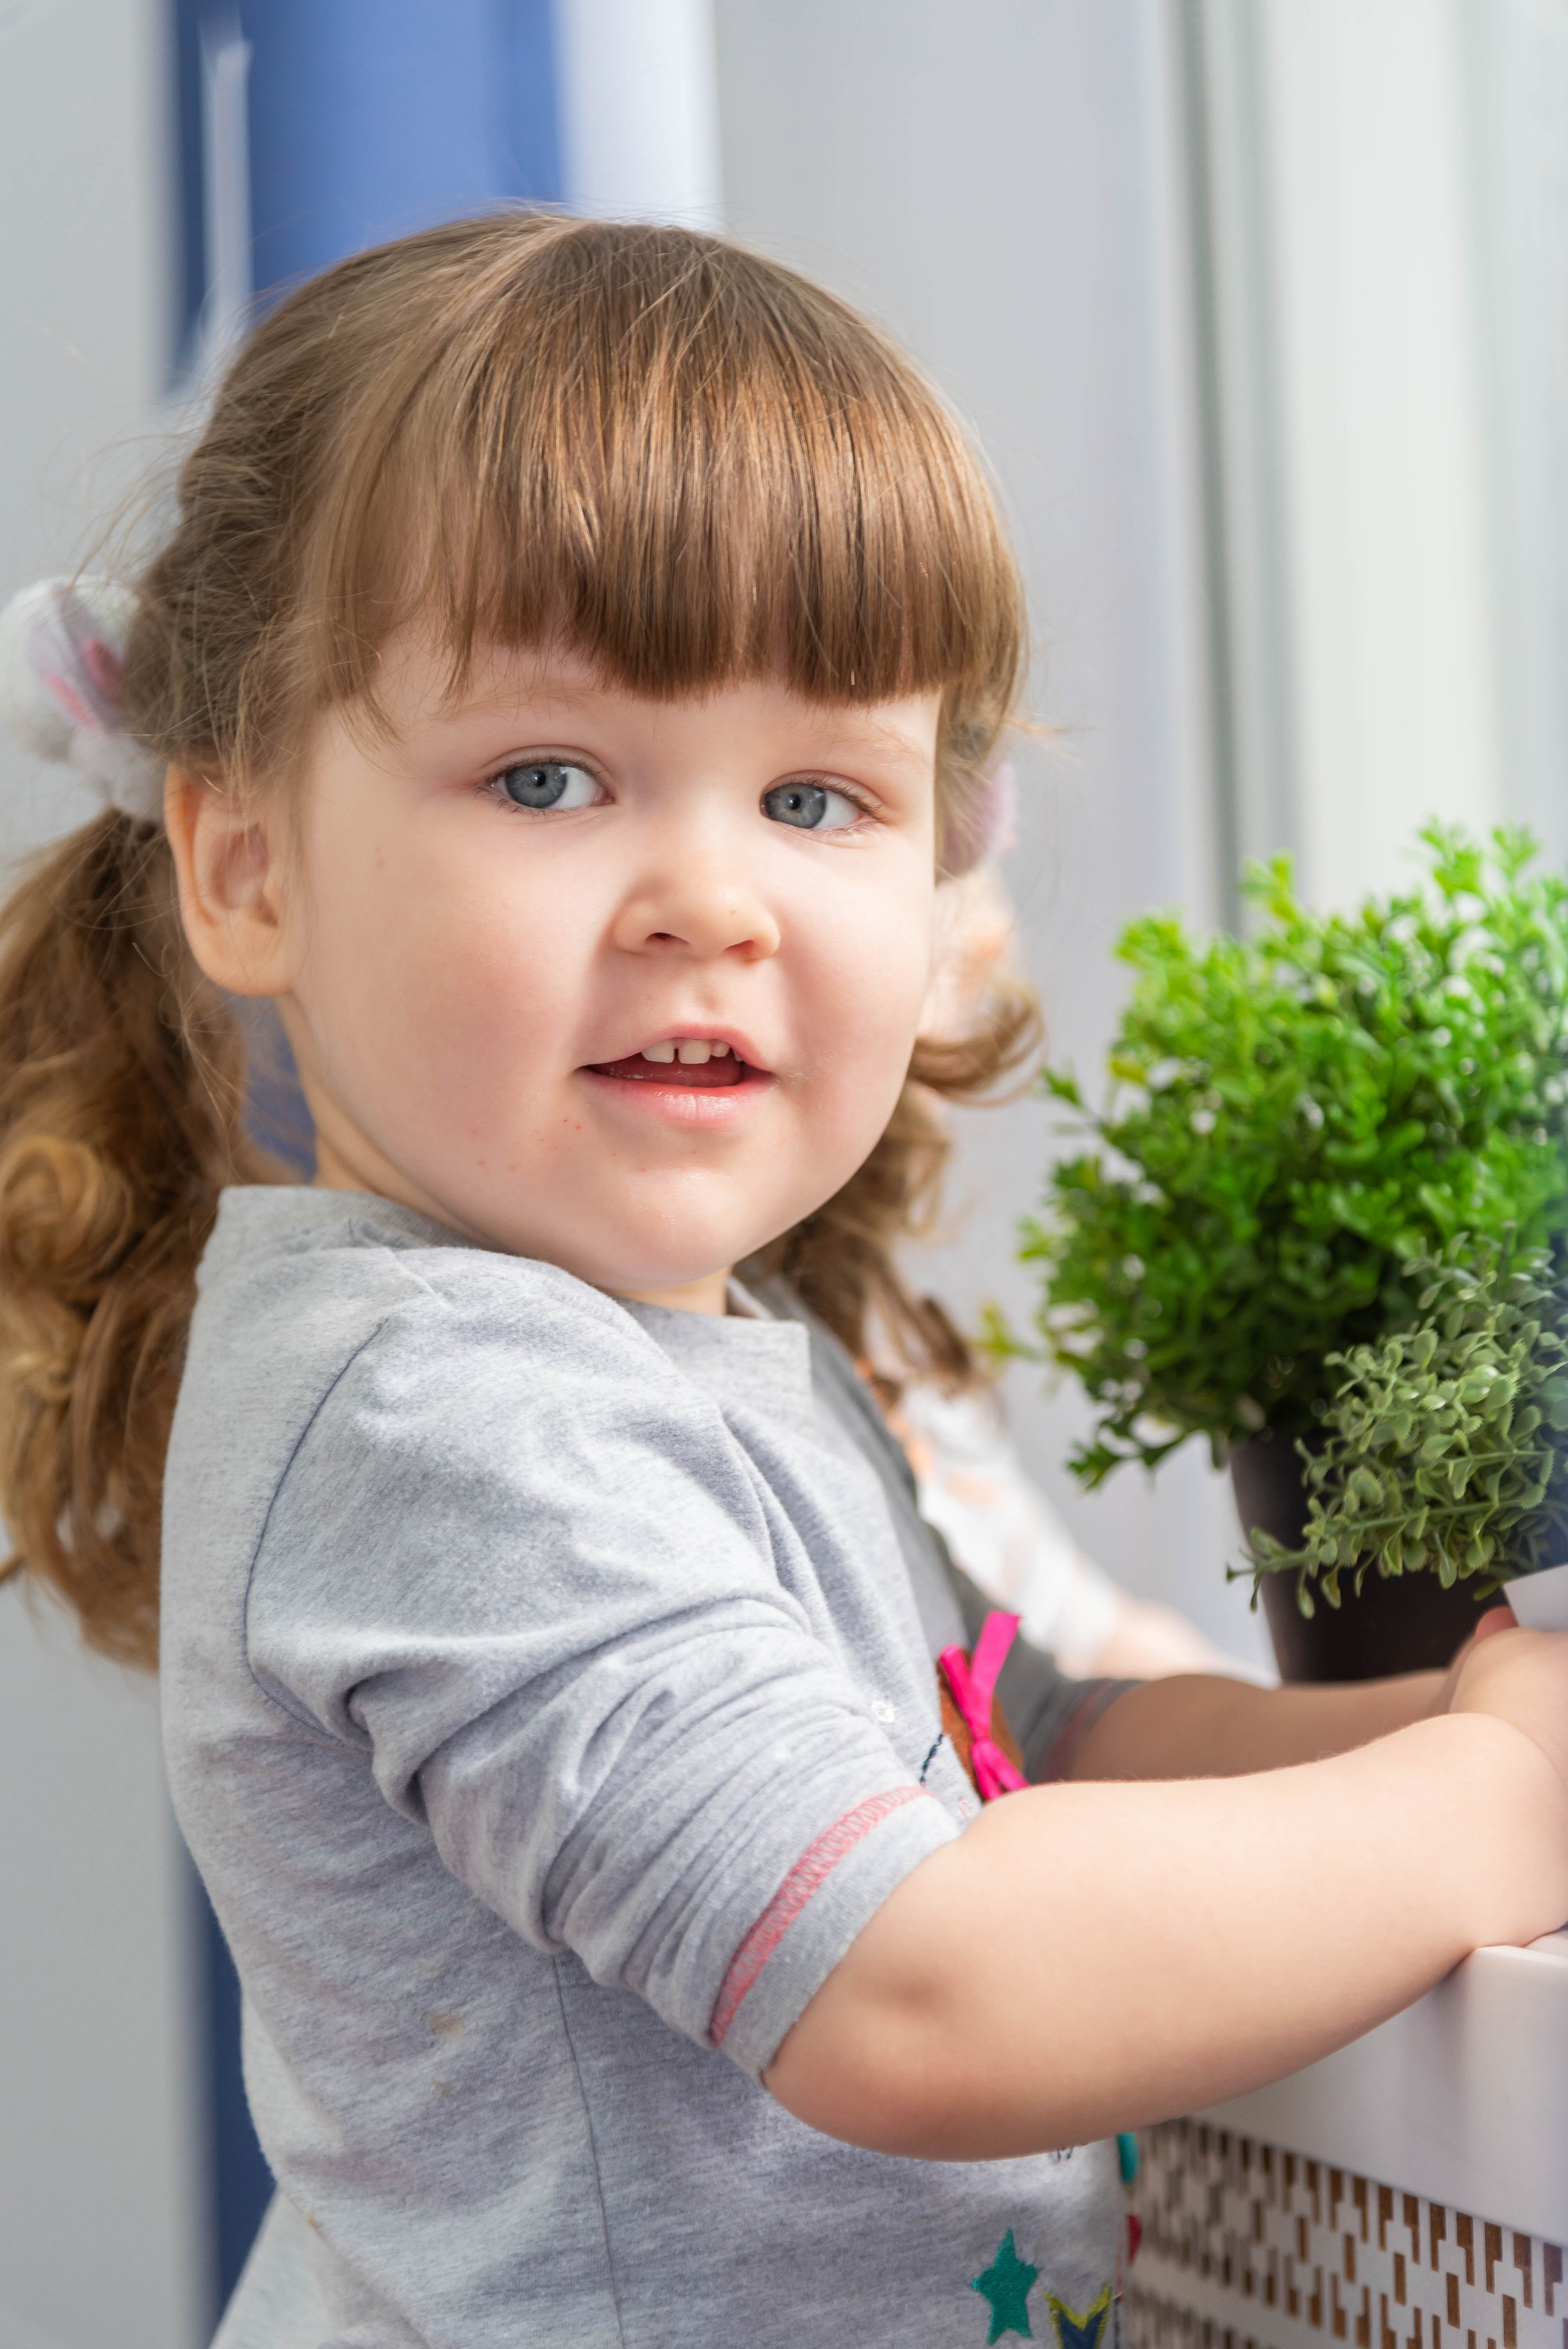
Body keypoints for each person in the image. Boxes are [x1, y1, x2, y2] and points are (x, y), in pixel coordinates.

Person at [0, 215, 1562, 2349]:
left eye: (818, 793)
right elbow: (917, 1981)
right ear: (245, 861)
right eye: (549, 775)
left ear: (936, 881)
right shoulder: (439, 1413)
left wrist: (1446, 1713)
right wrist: (1489, 1800)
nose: (708, 898)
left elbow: (1027, 1745)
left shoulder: (690, 1356)